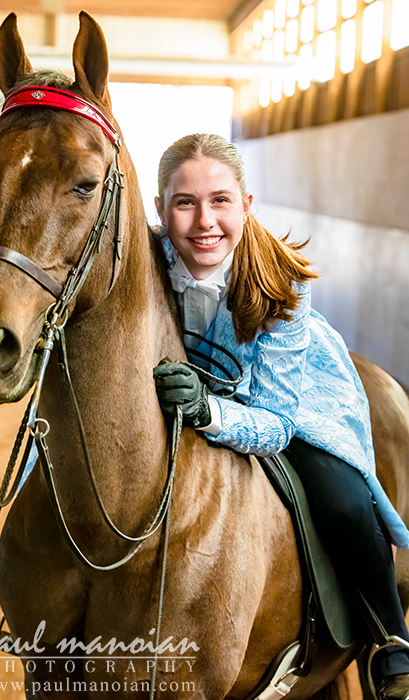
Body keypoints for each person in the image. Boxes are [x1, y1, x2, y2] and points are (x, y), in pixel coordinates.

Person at [152, 133, 409, 700]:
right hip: (188, 388)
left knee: (340, 496)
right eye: (185, 202)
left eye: (220, 200)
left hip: (291, 393)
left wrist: (206, 409)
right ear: (160, 209)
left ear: (246, 205)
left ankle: (390, 637)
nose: (203, 222)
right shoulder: (148, 259)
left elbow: (273, 422)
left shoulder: (281, 284)